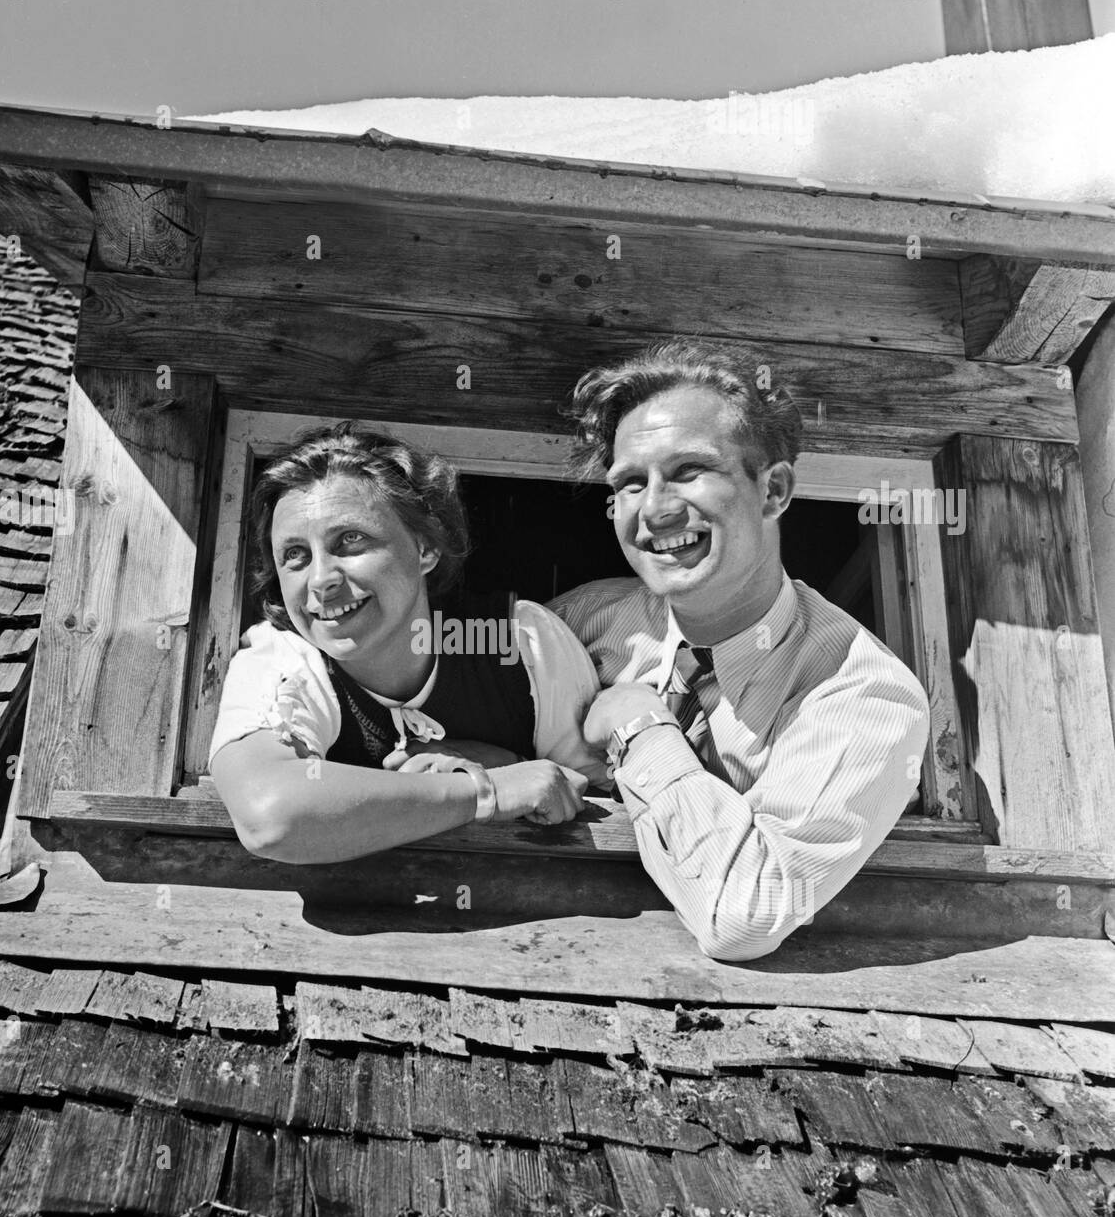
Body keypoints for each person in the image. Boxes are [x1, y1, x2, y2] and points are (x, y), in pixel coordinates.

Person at [549, 338, 931, 962]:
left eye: (688, 471)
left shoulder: (865, 695)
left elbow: (745, 914)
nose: (656, 510)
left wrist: (638, 725)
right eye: (629, 484)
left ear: (773, 491)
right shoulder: (581, 620)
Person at [210, 422, 605, 863]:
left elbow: (600, 789)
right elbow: (271, 817)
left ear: (425, 548)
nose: (321, 580)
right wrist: (482, 791)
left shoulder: (514, 638)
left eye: (350, 540)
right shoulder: (283, 658)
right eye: (295, 555)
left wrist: (501, 759)